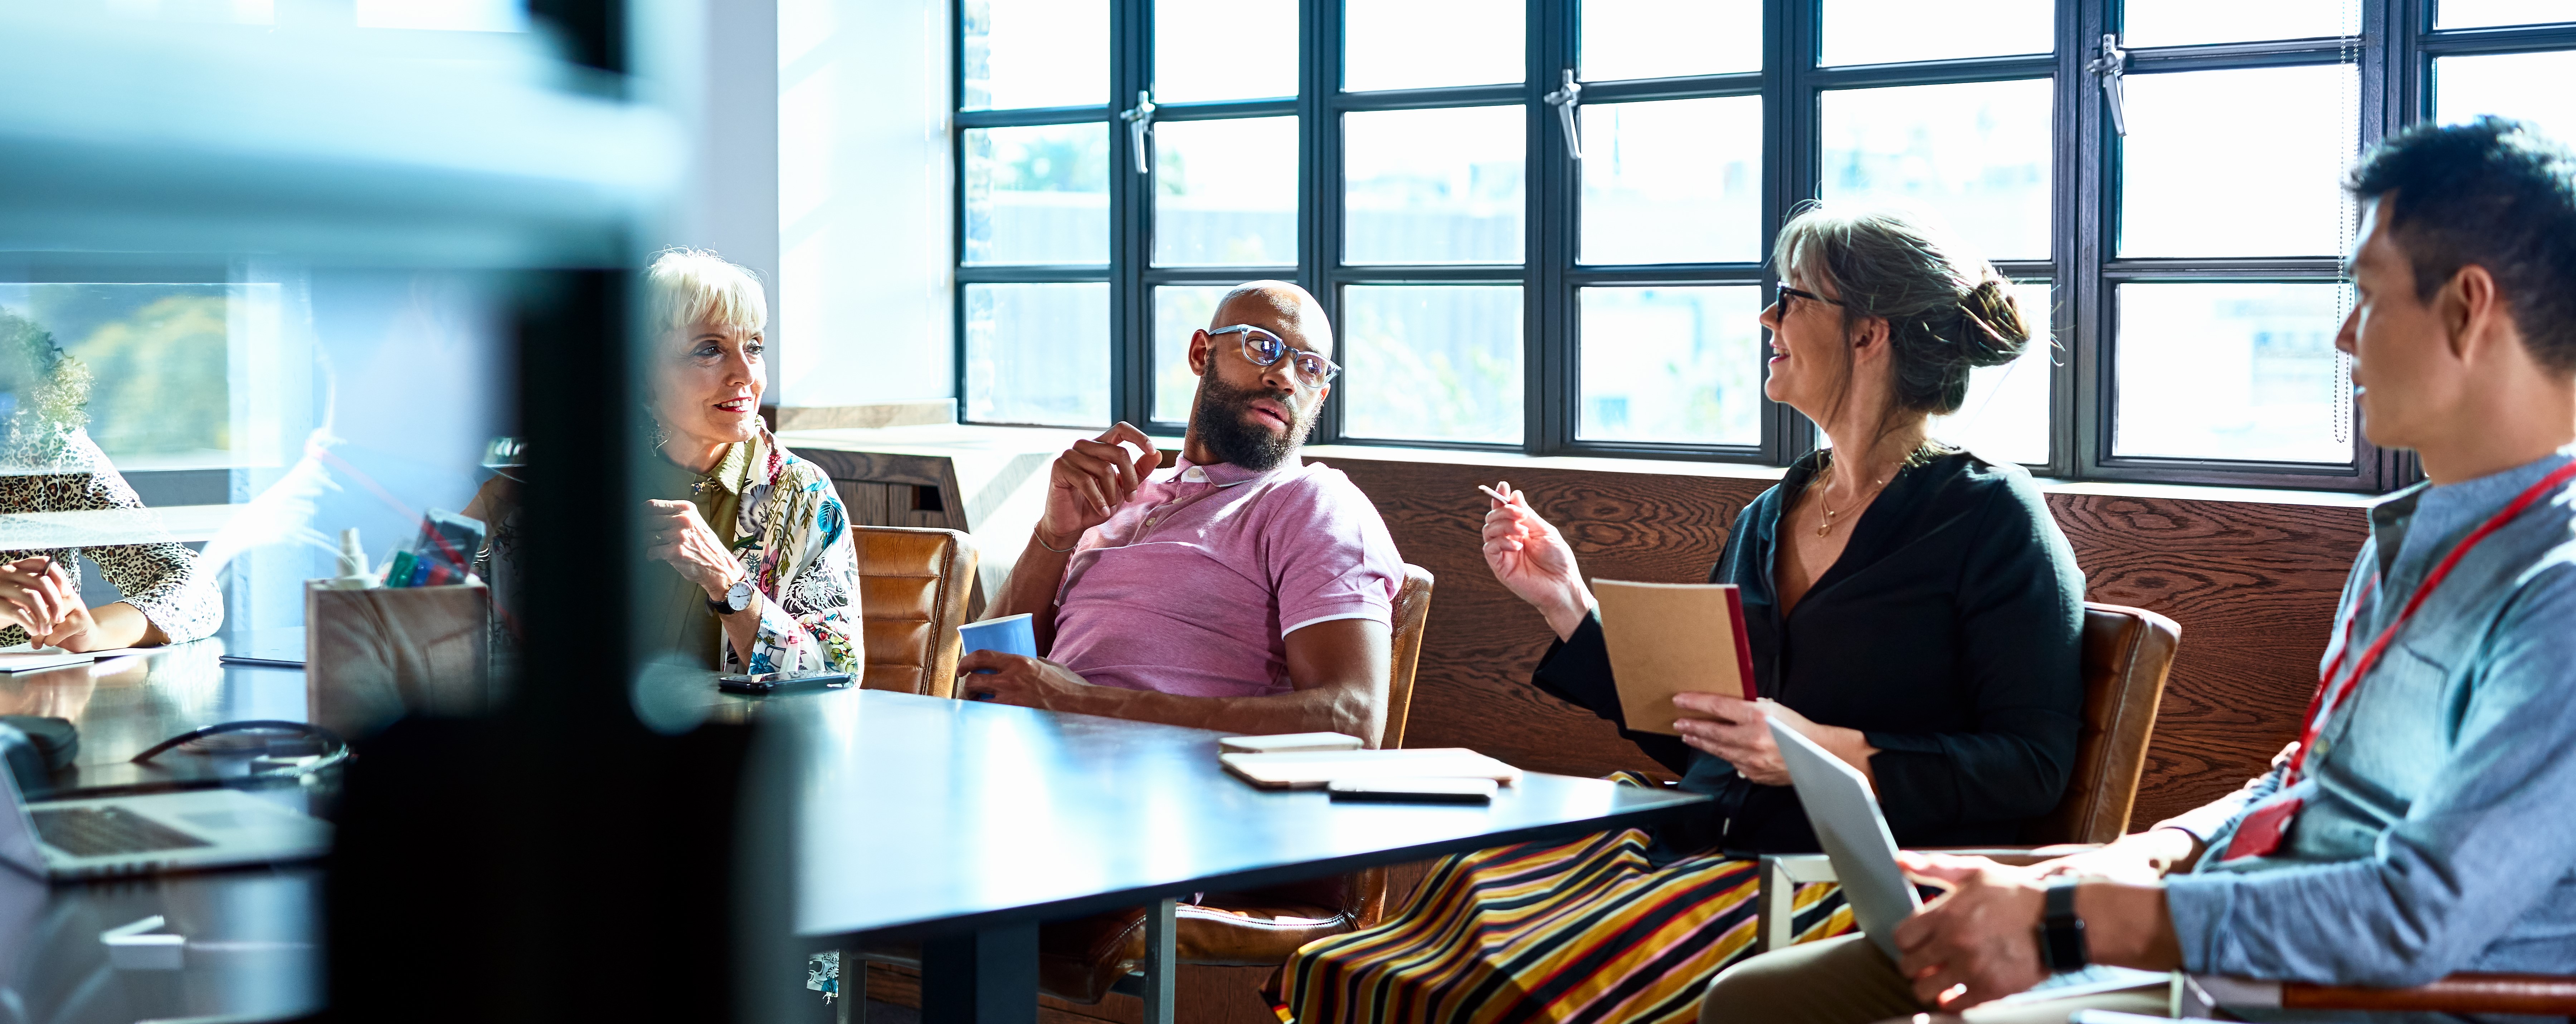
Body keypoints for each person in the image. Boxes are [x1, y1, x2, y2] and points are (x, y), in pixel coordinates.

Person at [1699, 117, 2576, 1024]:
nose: (2343, 337)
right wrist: (2143, 854)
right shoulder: (2412, 539)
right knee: (1757, 1001)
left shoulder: (2556, 595)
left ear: (2466, 309)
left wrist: (2075, 920)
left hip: (2332, 994)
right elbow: (2304, 783)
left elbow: (2408, 917)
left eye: (2367, 297)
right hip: (2217, 938)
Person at [1276, 206, 2085, 1024]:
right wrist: (1566, 601)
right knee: (1399, 946)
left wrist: (1816, 752)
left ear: (1867, 334)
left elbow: (2031, 765)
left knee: (1511, 991)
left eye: (1791, 298)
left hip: (1830, 887)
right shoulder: (1769, 516)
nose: (1766, 317)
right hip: (1696, 843)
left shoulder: (1990, 518)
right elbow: (1704, 735)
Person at [956, 280, 1404, 743]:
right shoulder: (1117, 498)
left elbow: (1351, 720)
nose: (1285, 377)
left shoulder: (1314, 503)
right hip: (1031, 764)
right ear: (1201, 353)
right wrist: (1054, 535)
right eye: (1262, 346)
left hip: (1186, 781)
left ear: (1320, 397)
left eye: (1309, 367)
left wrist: (1080, 701)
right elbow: (982, 674)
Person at [467, 248, 862, 674]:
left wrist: (728, 583)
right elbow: (448, 635)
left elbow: (836, 673)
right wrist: (482, 516)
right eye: (710, 349)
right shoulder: (576, 477)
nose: (746, 375)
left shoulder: (802, 494)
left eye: (753, 346)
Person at [0, 309, 220, 651]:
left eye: (11, 401)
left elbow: (196, 591)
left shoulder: (51, 453)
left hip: (33, 684)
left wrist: (97, 631)